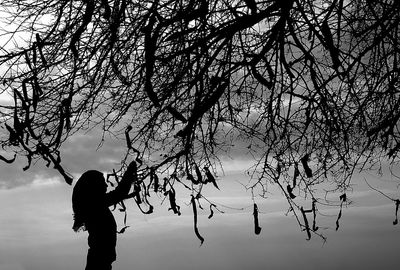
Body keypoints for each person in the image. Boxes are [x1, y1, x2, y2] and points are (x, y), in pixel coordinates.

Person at [72, 161, 137, 270]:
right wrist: (129, 173)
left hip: (100, 260)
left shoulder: (94, 205)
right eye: (102, 182)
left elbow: (119, 194)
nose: (106, 185)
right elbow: (119, 193)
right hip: (99, 262)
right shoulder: (94, 205)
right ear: (94, 186)